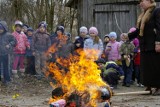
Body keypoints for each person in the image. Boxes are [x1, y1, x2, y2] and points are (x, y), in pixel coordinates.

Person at [128, 0, 160, 95]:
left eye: (142, 0)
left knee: (156, 66)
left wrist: (158, 42)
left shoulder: (156, 11)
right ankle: (149, 85)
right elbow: (138, 31)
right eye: (139, 2)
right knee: (146, 67)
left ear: (150, 1)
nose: (140, 3)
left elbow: (159, 28)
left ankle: (158, 86)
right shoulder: (143, 15)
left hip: (153, 44)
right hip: (144, 45)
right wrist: (128, 36)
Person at [0, 20, 16, 85]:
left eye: (1, 28)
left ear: (4, 28)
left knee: (6, 67)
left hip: (6, 53)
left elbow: (15, 41)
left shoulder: (8, 35)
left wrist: (9, 45)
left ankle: (7, 79)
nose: (0, 30)